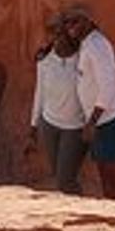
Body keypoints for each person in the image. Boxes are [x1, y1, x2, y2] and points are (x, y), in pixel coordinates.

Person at [59, 1, 115, 199]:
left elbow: (108, 86)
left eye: (75, 21)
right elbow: (113, 72)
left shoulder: (96, 45)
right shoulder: (89, 44)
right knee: (106, 177)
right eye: (66, 23)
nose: (70, 27)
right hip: (103, 119)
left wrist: (91, 123)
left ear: (88, 22)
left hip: (111, 119)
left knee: (114, 177)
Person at [29, 12, 88, 194]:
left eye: (61, 34)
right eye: (54, 34)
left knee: (65, 180)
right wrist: (33, 126)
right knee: (59, 175)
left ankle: (82, 214)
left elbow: (105, 80)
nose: (56, 39)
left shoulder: (84, 60)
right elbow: (40, 93)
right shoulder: (45, 61)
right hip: (49, 125)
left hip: (75, 128)